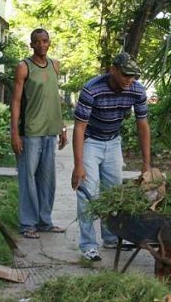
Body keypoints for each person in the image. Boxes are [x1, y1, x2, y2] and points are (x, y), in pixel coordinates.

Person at [71, 52, 151, 261]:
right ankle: (88, 244)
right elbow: (79, 128)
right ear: (113, 70)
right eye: (126, 75)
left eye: (133, 76)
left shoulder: (136, 90)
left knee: (114, 193)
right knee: (87, 191)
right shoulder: (92, 89)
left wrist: (146, 163)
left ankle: (111, 237)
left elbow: (142, 125)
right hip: (91, 141)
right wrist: (78, 166)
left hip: (113, 141)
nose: (130, 80)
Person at [10, 29, 67, 239]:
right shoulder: (24, 67)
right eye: (37, 42)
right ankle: (28, 224)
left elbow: (54, 98)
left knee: (47, 179)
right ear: (31, 44)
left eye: (45, 41)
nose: (42, 45)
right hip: (30, 131)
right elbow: (15, 101)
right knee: (28, 179)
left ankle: (45, 221)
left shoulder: (55, 65)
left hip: (50, 131)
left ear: (49, 42)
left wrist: (61, 127)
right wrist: (15, 133)